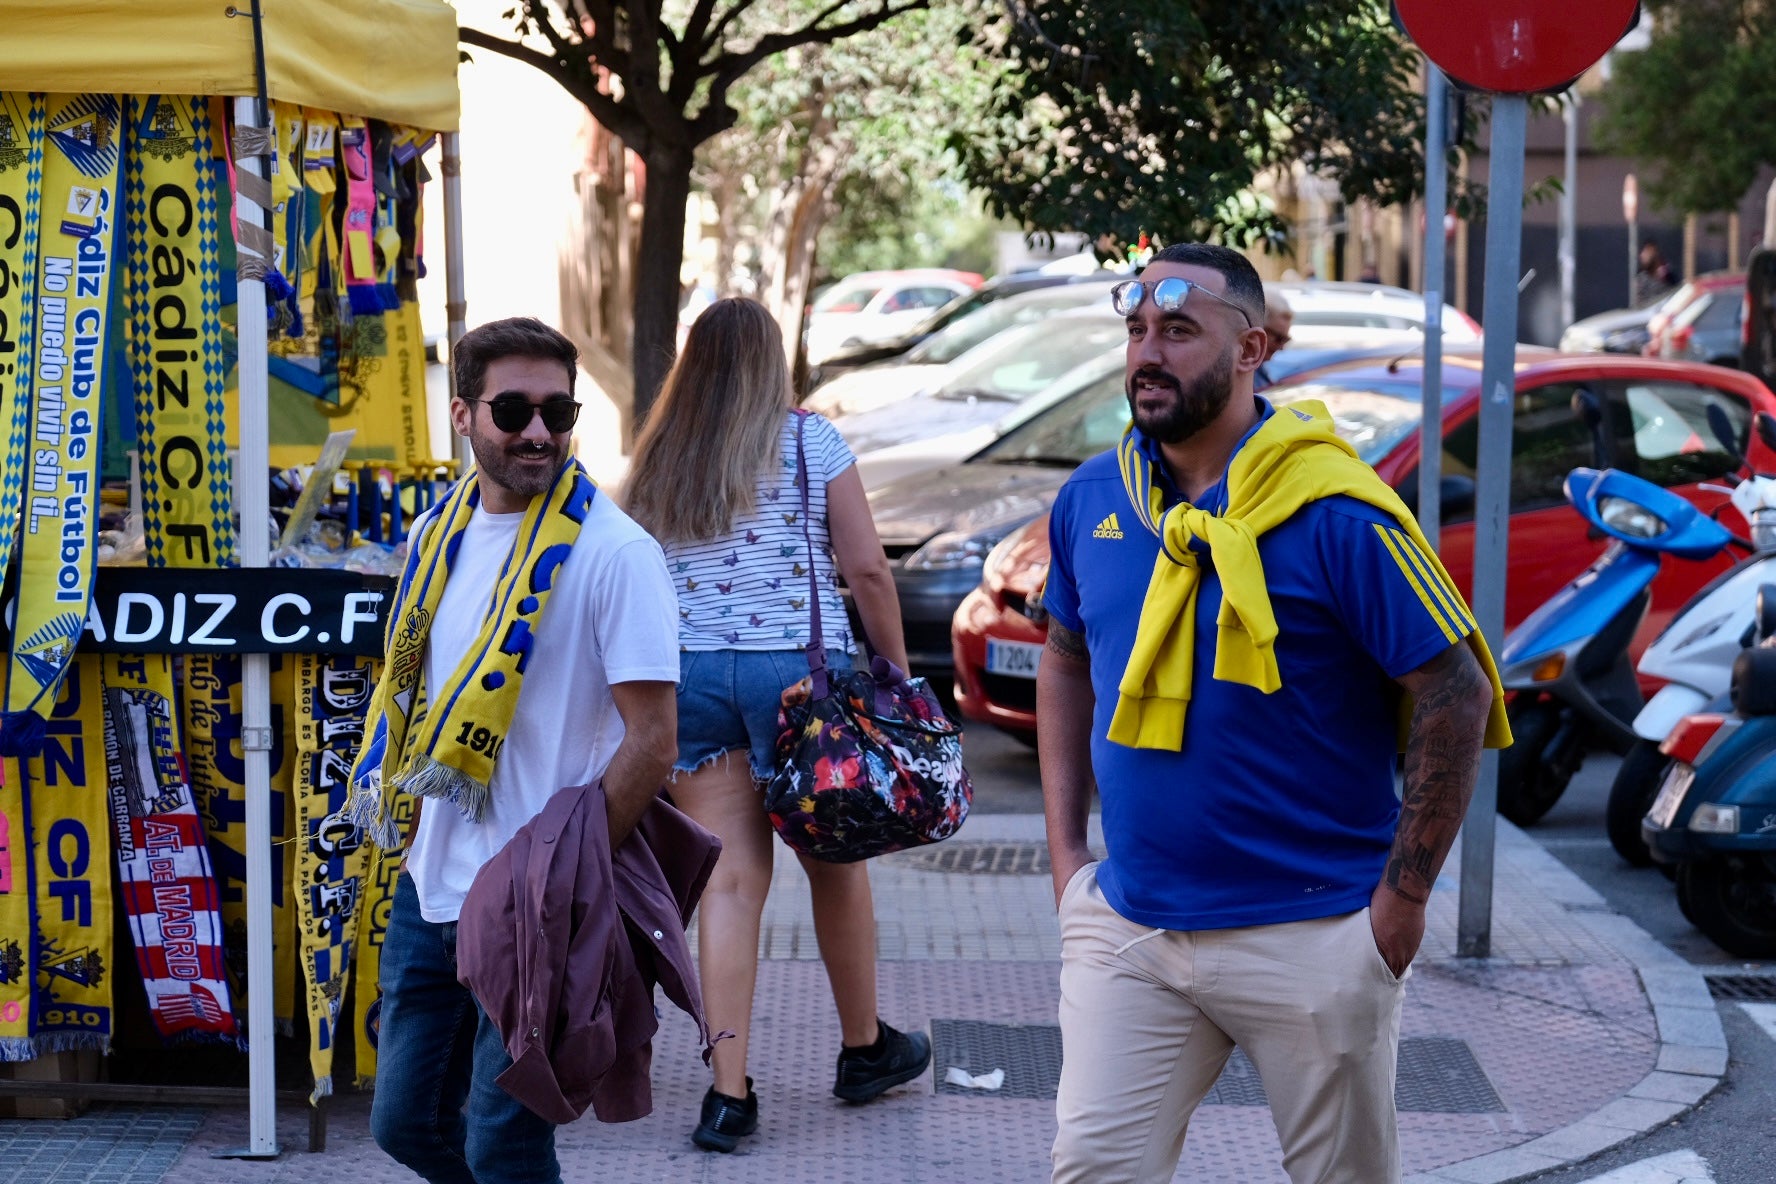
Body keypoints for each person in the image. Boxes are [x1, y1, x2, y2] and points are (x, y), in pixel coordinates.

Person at [1037, 244, 1508, 1184]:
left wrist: (1401, 904)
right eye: (1135, 331)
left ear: (1251, 348)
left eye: (1178, 329)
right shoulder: (1096, 497)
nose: (1147, 353)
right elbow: (1063, 655)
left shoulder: (1340, 513)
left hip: (1317, 930)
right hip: (1134, 929)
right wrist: (1066, 860)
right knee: (1090, 1170)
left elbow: (1459, 693)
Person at [357, 317, 682, 1184]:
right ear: (463, 414)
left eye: (556, 410)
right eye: (513, 409)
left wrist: (561, 869)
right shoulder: (436, 537)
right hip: (430, 882)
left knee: (506, 1143)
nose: (538, 430)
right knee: (403, 1123)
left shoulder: (617, 555)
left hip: (533, 901)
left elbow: (654, 741)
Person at [622, 297, 933, 1153]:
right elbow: (866, 568)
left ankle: (728, 1095)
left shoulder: (660, 451)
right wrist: (896, 675)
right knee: (835, 863)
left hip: (688, 678)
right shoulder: (810, 439)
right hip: (801, 682)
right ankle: (865, 1047)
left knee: (728, 885)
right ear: (773, 360)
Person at [1253, 284, 1293, 391]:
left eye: (1286, 340)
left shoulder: (1259, 370)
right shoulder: (1240, 375)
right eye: (1279, 338)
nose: (1281, 348)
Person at [1635, 242, 1678, 308]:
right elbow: (1639, 300)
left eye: (1648, 252)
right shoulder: (1641, 277)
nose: (1642, 256)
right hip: (1648, 310)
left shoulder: (1667, 274)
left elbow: (1674, 290)